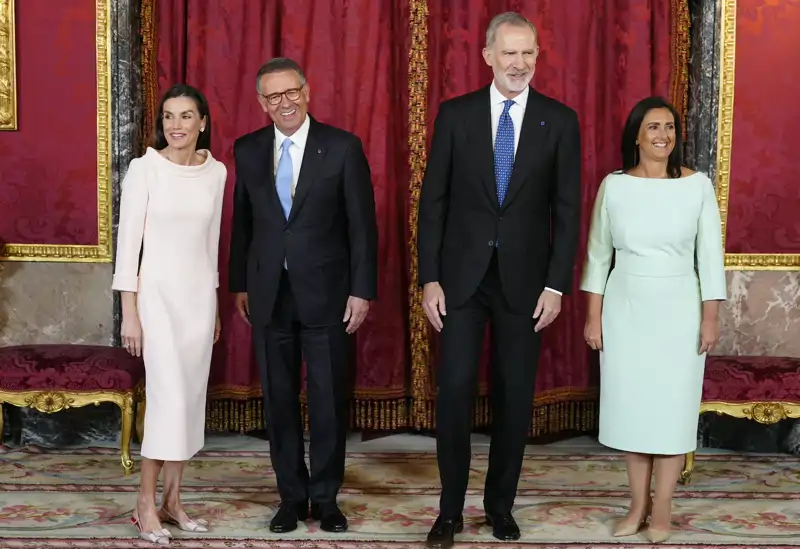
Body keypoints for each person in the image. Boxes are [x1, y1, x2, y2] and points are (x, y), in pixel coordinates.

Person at [418, 12, 582, 548]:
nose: (519, 63)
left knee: (514, 398)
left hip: (526, 286)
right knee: (455, 391)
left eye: (528, 52)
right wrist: (429, 279)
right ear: (488, 55)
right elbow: (433, 203)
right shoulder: (455, 115)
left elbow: (567, 211)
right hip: (460, 282)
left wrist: (556, 286)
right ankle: (449, 511)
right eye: (509, 52)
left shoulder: (559, 121)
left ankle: (500, 508)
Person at [228, 57, 378, 534]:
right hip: (269, 293)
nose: (284, 103)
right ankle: (291, 498)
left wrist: (362, 290)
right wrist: (240, 284)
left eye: (291, 92)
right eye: (273, 96)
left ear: (307, 91)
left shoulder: (342, 147)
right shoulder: (248, 149)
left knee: (328, 399)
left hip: (329, 295)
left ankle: (326, 499)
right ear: (262, 103)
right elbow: (242, 224)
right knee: (278, 399)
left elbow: (362, 227)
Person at [580, 96, 726, 543]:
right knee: (633, 410)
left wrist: (709, 319)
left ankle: (662, 508)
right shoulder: (614, 186)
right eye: (653, 127)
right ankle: (637, 505)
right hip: (625, 309)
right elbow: (597, 256)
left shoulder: (697, 186)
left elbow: (710, 259)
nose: (663, 135)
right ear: (637, 136)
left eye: (669, 127)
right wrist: (593, 318)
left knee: (670, 412)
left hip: (680, 309)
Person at [113, 84, 226, 545]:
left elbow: (212, 244)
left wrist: (214, 306)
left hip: (198, 300)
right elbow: (128, 248)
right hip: (156, 300)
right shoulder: (145, 169)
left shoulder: (216, 171)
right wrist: (130, 313)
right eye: (168, 116)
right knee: (168, 401)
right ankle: (144, 503)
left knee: (190, 401)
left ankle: (173, 502)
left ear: (203, 122)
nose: (176, 125)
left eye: (186, 116)